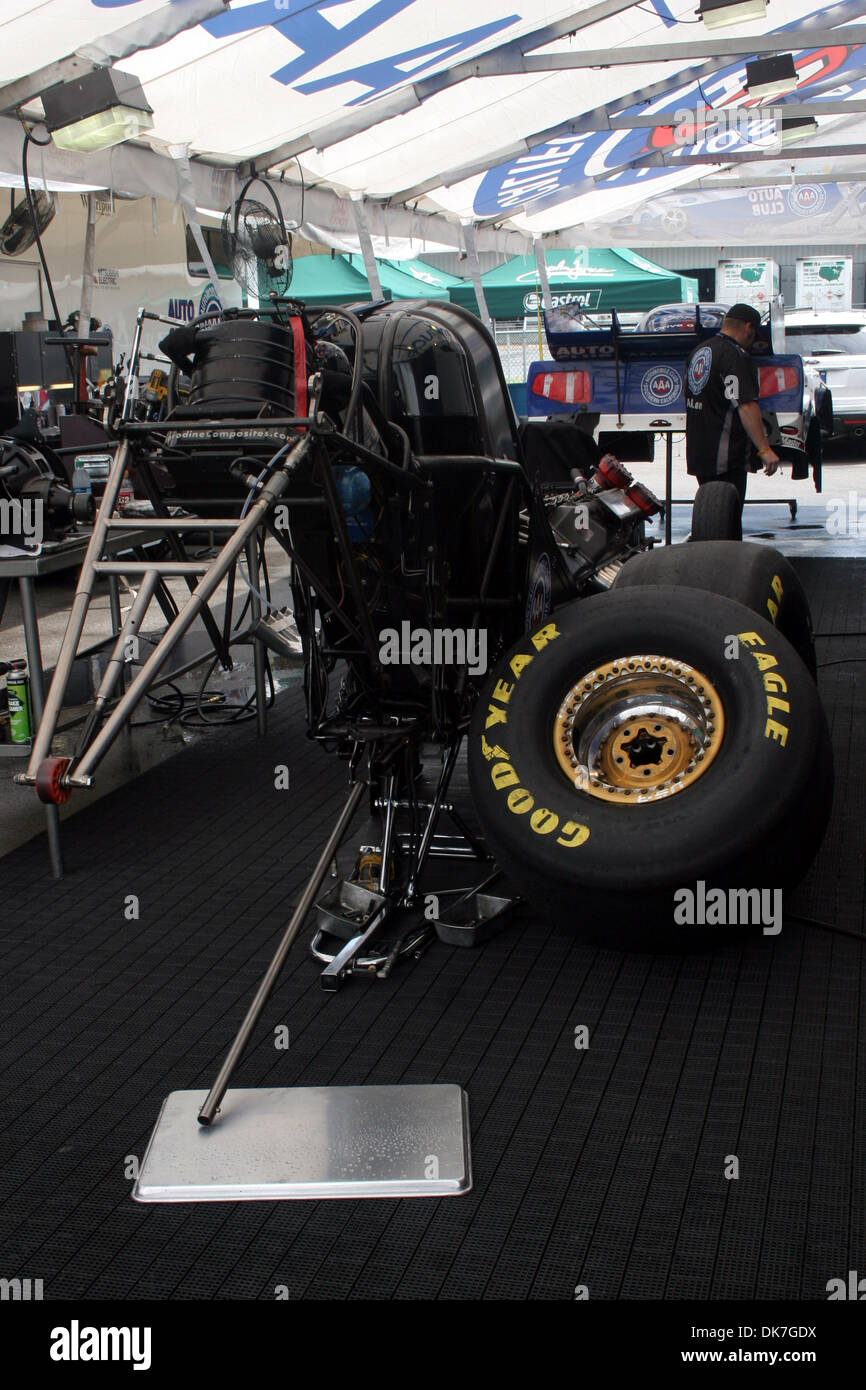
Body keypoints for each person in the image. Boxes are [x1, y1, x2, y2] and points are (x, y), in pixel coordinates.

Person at [684, 302, 780, 512]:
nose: (752, 342)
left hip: (700, 451)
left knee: (711, 517)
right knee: (726, 520)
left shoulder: (700, 351)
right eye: (754, 335)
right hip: (725, 455)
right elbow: (746, 405)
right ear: (748, 327)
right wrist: (764, 449)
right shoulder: (734, 356)